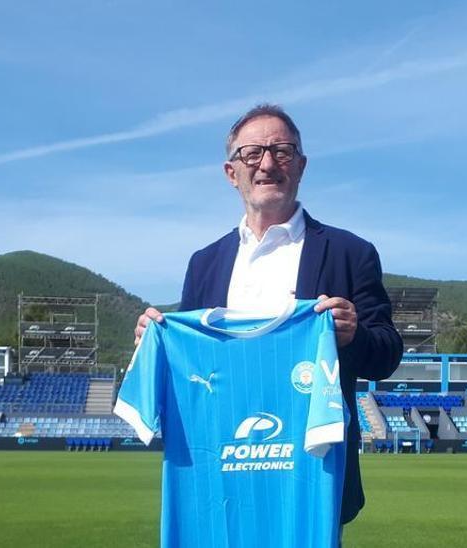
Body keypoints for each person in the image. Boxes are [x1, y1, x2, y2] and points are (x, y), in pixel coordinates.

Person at [133, 103, 403, 527]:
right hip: (223, 473)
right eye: (252, 153)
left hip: (311, 479)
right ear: (231, 171)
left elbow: (387, 354)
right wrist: (156, 342)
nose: (267, 163)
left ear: (301, 165)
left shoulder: (351, 253)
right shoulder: (204, 263)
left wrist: (355, 335)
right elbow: (190, 374)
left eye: (282, 150)